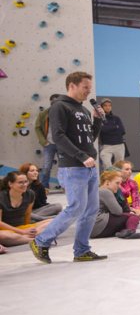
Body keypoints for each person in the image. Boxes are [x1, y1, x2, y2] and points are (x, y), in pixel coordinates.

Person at [29, 72, 107, 264]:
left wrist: (97, 121)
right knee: (76, 207)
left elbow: (89, 138)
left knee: (91, 209)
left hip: (89, 166)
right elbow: (58, 136)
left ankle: (81, 250)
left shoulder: (83, 109)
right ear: (72, 85)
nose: (89, 91)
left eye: (90, 87)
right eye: (85, 87)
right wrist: (80, 156)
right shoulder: (59, 107)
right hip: (73, 167)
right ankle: (41, 241)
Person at [1, 171, 54, 244]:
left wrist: (30, 230)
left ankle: (26, 238)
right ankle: (35, 239)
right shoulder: (2, 197)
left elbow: (27, 214)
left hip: (22, 228)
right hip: (5, 230)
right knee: (4, 236)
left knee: (54, 222)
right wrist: (22, 232)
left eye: (26, 182)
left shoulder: (30, 194)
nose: (24, 185)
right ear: (10, 184)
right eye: (20, 182)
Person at [91, 171, 140, 239]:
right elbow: (118, 212)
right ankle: (131, 231)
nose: (119, 186)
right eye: (117, 183)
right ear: (107, 182)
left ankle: (124, 231)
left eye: (120, 184)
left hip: (91, 230)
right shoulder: (105, 191)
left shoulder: (96, 190)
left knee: (125, 219)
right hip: (99, 224)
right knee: (133, 217)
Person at [34, 93, 61, 190]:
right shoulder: (43, 114)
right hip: (48, 144)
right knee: (46, 167)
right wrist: (43, 141)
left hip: (62, 144)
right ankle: (44, 188)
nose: (55, 103)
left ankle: (65, 186)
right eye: (53, 101)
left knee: (64, 167)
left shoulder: (65, 113)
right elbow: (37, 128)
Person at [97, 98, 127, 170]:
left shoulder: (116, 118)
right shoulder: (98, 118)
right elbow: (102, 130)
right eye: (105, 105)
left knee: (119, 167)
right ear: (102, 107)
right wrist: (114, 127)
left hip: (119, 145)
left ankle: (118, 181)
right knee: (107, 166)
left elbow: (122, 131)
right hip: (106, 146)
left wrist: (107, 128)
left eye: (109, 105)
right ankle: (109, 180)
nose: (108, 107)